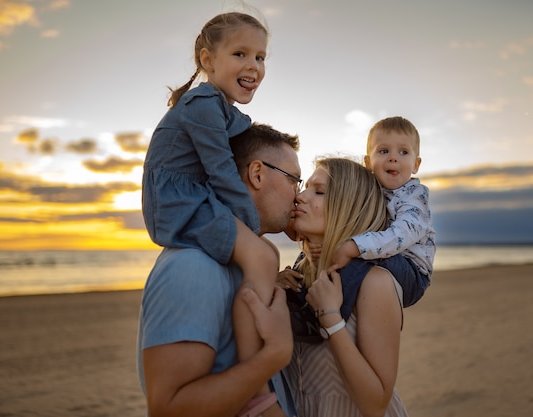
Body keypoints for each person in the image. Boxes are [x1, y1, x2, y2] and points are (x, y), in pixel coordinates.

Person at [140, 11, 284, 384]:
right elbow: (221, 172)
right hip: (179, 205)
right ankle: (253, 371)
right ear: (208, 60)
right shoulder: (202, 104)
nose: (253, 66)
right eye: (240, 54)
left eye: (260, 57)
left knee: (266, 257)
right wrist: (252, 229)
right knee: (260, 254)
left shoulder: (221, 108)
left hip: (195, 198)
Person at [137, 123, 301, 417]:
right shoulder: (194, 268)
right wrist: (275, 354)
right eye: (294, 180)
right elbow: (168, 409)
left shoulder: (247, 267)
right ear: (257, 174)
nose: (298, 196)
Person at [280, 157, 410, 416]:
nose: (300, 197)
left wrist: (331, 319)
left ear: (349, 208)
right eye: (305, 187)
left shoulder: (375, 282)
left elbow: (376, 404)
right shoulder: (299, 274)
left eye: (318, 191)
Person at [330, 116, 436, 308]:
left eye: (403, 152)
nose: (393, 157)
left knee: (355, 263)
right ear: (368, 162)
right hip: (383, 256)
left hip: (411, 271)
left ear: (416, 165)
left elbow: (400, 235)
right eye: (384, 151)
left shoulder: (414, 197)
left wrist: (354, 247)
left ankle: (331, 310)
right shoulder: (371, 191)